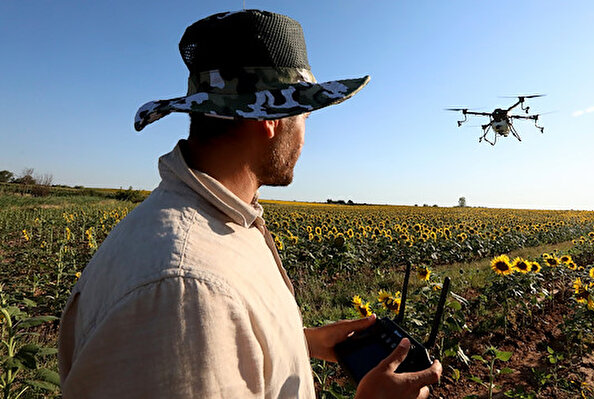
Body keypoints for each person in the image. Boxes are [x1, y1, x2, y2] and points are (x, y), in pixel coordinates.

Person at [57, 9, 441, 399]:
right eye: (305, 114)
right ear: (271, 119)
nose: (306, 135)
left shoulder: (214, 225)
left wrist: (296, 341)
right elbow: (194, 328)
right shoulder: (186, 292)